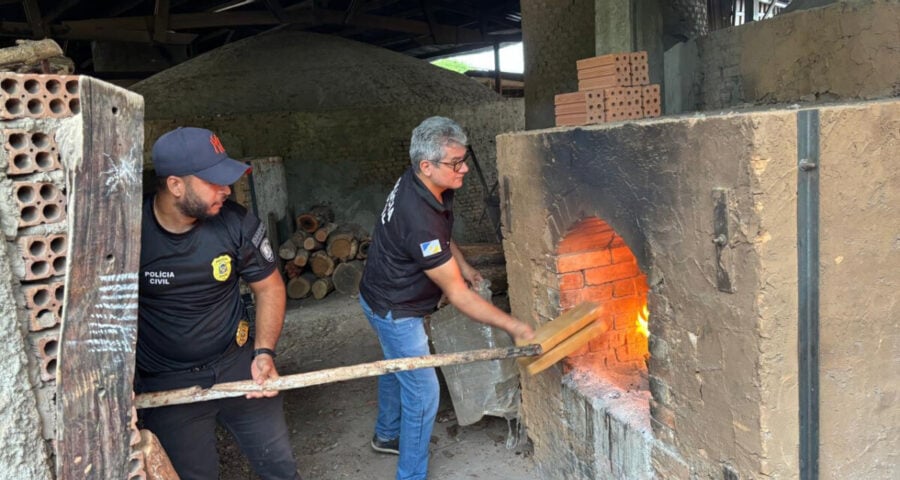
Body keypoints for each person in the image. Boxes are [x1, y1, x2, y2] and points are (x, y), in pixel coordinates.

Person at [358, 116, 536, 480]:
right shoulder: (417, 214)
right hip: (395, 309)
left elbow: (441, 234)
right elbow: (457, 295)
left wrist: (465, 265)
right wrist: (514, 325)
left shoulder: (426, 184)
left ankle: (386, 434)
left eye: (463, 158)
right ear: (427, 165)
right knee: (422, 393)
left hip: (378, 295)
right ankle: (411, 475)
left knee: (396, 367)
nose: (465, 168)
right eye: (456, 163)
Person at [135, 127, 300, 480]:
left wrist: (264, 353)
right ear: (176, 185)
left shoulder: (235, 222)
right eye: (213, 181)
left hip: (238, 366)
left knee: (280, 467)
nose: (226, 190)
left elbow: (269, 288)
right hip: (167, 383)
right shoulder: (129, 232)